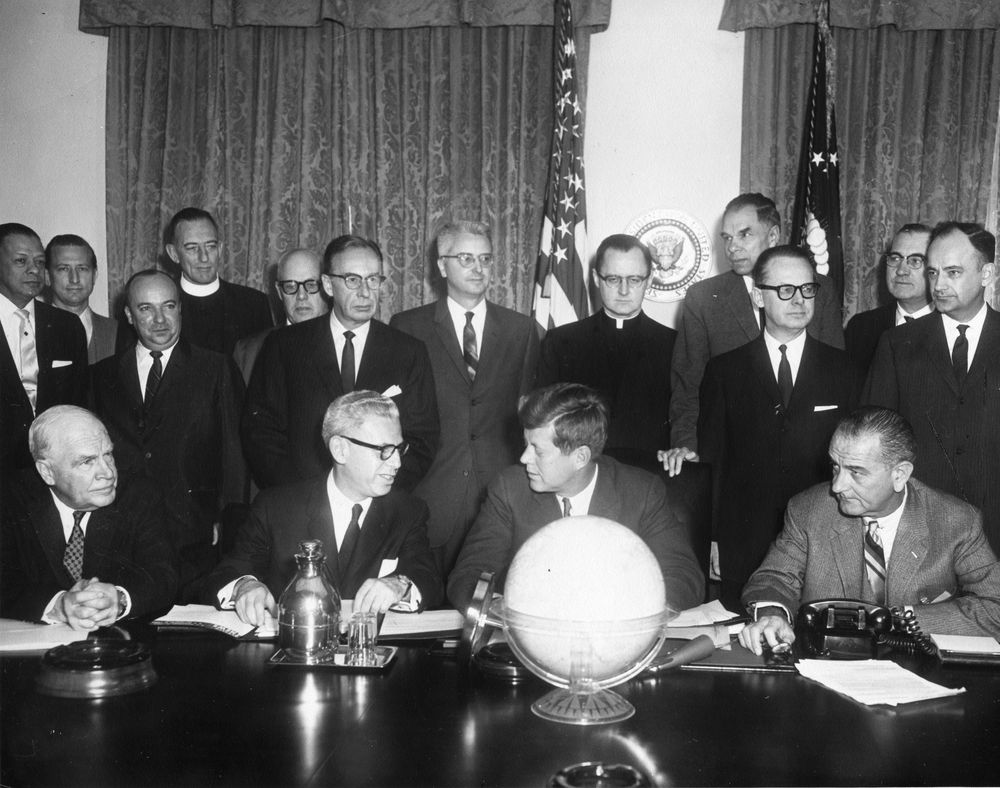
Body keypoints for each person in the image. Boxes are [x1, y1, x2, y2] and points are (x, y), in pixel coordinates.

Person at [663, 246, 859, 609]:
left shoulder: (844, 370)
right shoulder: (725, 370)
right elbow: (715, 461)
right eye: (785, 290)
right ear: (758, 295)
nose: (799, 300)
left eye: (807, 289)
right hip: (743, 542)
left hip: (823, 541)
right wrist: (713, 538)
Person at [739, 407, 1000, 654]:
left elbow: (995, 608)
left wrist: (898, 621)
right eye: (835, 466)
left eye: (856, 472)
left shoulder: (957, 521)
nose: (837, 485)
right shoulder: (808, 510)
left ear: (899, 475)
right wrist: (772, 613)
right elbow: (774, 578)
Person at [447, 383, 704, 613]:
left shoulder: (641, 492)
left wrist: (632, 613)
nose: (524, 458)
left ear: (580, 457)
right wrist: (508, 612)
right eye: (526, 445)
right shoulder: (509, 489)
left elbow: (684, 576)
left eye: (537, 450)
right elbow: (468, 577)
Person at [203, 391, 442, 626]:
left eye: (399, 449)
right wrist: (244, 586)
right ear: (340, 449)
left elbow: (428, 580)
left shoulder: (408, 512)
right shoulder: (276, 508)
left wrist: (400, 585)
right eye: (384, 450)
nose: (397, 463)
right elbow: (226, 574)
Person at [390, 220, 538, 575]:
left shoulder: (522, 330)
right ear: (442, 265)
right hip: (433, 496)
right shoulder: (408, 327)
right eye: (466, 258)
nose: (478, 268)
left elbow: (531, 416)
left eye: (485, 259)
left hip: (500, 498)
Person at [91, 270, 245, 600]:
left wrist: (225, 519)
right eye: (146, 309)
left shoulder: (215, 368)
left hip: (194, 532)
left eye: (169, 306)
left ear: (180, 309)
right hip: (123, 530)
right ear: (130, 315)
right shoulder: (101, 376)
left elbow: (234, 455)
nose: (160, 319)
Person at [243, 234, 438, 492]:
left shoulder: (408, 351)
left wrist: (379, 491)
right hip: (301, 502)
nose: (365, 292)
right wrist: (298, 497)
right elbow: (261, 433)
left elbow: (423, 440)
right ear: (328, 284)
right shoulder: (284, 346)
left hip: (377, 507)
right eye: (352, 280)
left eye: (373, 280)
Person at [668, 193, 844, 454]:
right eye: (727, 238)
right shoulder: (703, 298)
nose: (732, 247)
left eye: (744, 235)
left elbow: (835, 378)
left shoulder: (819, 289)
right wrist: (686, 449)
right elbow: (687, 388)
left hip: (810, 451)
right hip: (735, 454)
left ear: (773, 236)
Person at [863, 222, 1000, 553]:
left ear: (987, 274)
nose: (939, 284)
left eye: (953, 272)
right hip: (919, 529)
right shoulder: (898, 344)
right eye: (934, 272)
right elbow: (875, 440)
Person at [1, 406, 177, 628]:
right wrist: (58, 604)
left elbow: (163, 575)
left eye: (108, 455)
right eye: (87, 462)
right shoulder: (10, 499)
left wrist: (119, 599)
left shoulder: (139, 494)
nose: (108, 473)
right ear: (47, 472)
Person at [536, 233, 674, 451]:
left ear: (648, 280)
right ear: (596, 278)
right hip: (582, 471)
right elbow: (544, 419)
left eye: (634, 280)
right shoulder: (561, 342)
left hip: (648, 472)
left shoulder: (674, 345)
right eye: (613, 279)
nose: (624, 290)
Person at [117, 208, 273, 355]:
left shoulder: (254, 303)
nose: (204, 257)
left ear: (219, 249)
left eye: (210, 246)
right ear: (173, 254)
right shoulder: (148, 306)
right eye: (192, 248)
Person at [0, 223, 87, 474]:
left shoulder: (67, 326)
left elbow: (78, 403)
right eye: (21, 261)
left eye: (39, 262)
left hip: (52, 469)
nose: (33, 270)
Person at [844, 223, 933, 373]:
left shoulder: (952, 329)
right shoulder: (861, 328)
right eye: (895, 258)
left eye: (915, 261)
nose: (901, 270)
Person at [232, 248, 328, 383]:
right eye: (290, 286)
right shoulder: (249, 352)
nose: (301, 296)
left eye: (311, 285)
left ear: (327, 287)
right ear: (279, 291)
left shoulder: (348, 345)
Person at [45, 234, 118, 364]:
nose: (74, 279)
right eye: (63, 269)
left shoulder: (118, 332)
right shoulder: (30, 330)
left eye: (82, 268)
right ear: (47, 276)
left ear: (94, 275)